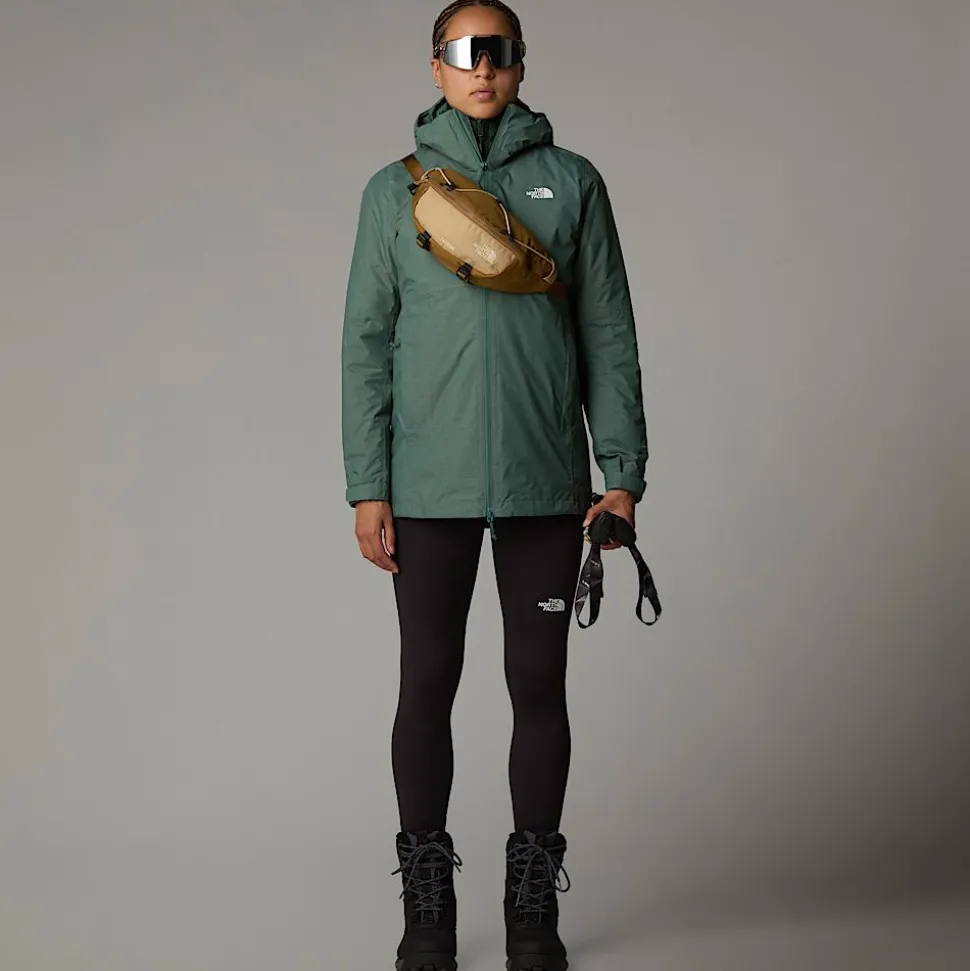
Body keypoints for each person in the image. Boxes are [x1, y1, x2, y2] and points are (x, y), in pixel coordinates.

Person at [340, 2, 648, 969]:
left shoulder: (574, 182)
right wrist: (368, 483)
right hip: (424, 487)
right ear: (435, 66)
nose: (482, 68)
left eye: (498, 51)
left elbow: (607, 332)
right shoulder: (392, 193)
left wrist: (622, 473)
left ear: (520, 64)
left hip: (545, 484)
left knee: (537, 684)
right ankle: (427, 908)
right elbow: (366, 345)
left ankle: (532, 906)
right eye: (464, 52)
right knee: (426, 681)